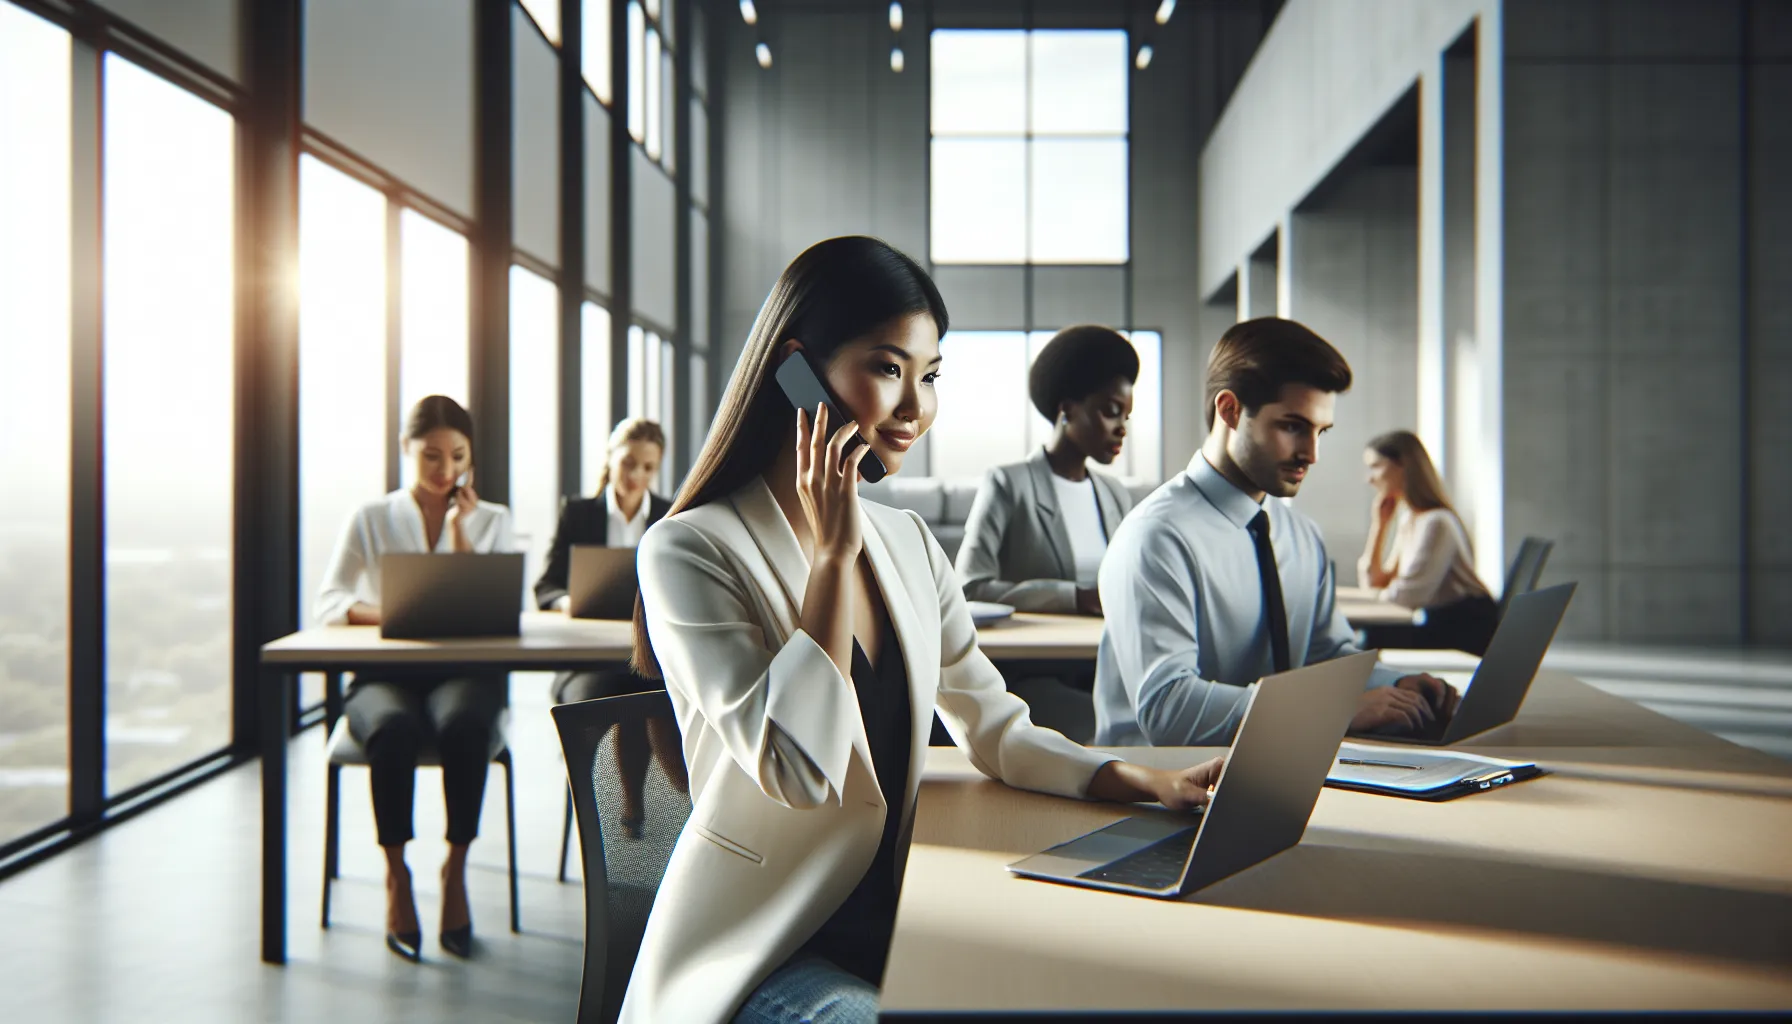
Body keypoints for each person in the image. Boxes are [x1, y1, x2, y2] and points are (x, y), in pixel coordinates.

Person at [620, 236, 1227, 1024]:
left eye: (931, 375)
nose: (917, 407)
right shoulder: (689, 549)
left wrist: (1131, 778)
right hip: (767, 948)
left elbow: (994, 726)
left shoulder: (907, 543)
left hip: (902, 921)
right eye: (888, 368)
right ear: (797, 372)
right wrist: (832, 557)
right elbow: (798, 772)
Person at [1091, 318, 1460, 748]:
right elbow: (1170, 710)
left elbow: (1325, 659)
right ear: (1229, 410)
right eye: (1292, 426)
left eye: (1320, 431)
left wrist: (1401, 686)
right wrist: (1334, 711)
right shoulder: (1156, 537)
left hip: (1284, 766)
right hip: (1161, 788)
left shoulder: (1300, 535)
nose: (1312, 454)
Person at [314, 395, 513, 962]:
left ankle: (455, 869)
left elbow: (499, 607)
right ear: (407, 450)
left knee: (466, 725)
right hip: (386, 673)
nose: (445, 471)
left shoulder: (491, 520)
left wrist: (459, 533)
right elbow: (329, 599)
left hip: (463, 672)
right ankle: (397, 874)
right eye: (431, 456)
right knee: (394, 729)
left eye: (457, 457)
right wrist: (393, 611)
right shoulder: (371, 518)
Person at [533, 416, 688, 835]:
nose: (637, 475)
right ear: (611, 459)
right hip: (589, 660)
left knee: (657, 703)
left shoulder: (669, 516)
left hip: (648, 656)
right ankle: (596, 823)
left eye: (648, 467)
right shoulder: (579, 514)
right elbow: (545, 585)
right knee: (593, 705)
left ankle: (661, 820)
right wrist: (572, 600)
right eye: (629, 463)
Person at [955, 324, 1138, 616]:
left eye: (1126, 416)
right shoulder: (1008, 484)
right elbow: (970, 588)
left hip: (1111, 649)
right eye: (1112, 411)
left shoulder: (1114, 494)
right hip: (1041, 653)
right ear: (1067, 410)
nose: (1122, 429)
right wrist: (1076, 598)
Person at [1356, 430, 1498, 654]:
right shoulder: (1411, 519)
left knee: (1370, 636)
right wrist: (1380, 526)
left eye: (1375, 466)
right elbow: (1375, 583)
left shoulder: (1437, 522)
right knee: (1367, 634)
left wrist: (1372, 599)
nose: (1369, 478)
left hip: (1465, 626)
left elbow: (1408, 597)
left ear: (1403, 465)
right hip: (1440, 620)